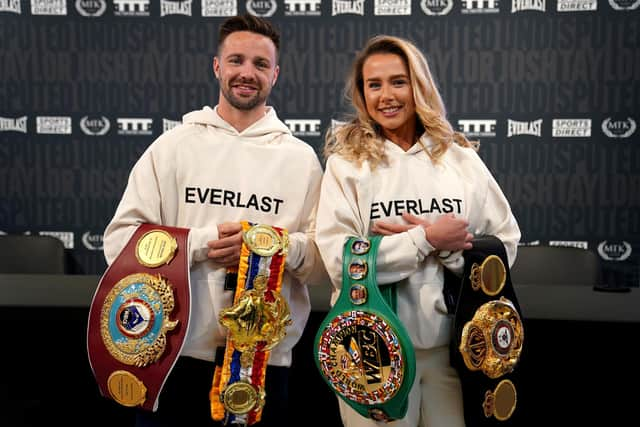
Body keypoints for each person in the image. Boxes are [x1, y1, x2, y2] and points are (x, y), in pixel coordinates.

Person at [102, 14, 327, 427]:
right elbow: (119, 243)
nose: (247, 73)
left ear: (275, 74)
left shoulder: (301, 160)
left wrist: (268, 248)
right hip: (169, 356)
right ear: (217, 67)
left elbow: (319, 262)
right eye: (236, 60)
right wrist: (204, 243)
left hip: (263, 365)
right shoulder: (173, 147)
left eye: (260, 64)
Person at [315, 35, 521, 427]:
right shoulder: (346, 164)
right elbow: (340, 262)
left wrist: (452, 251)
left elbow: (505, 245)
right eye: (373, 85)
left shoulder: (459, 159)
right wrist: (424, 239)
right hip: (371, 356)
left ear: (419, 86)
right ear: (361, 94)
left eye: (398, 81)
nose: (386, 96)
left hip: (455, 354)